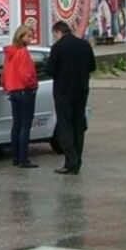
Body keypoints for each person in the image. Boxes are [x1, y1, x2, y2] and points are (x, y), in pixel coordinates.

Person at [47, 20, 96, 175]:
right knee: (78, 125)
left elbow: (50, 70)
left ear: (58, 32)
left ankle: (71, 161)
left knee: (65, 126)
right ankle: (77, 160)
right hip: (81, 90)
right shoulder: (84, 45)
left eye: (54, 35)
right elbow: (92, 66)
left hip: (63, 92)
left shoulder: (58, 48)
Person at [2, 25, 39, 168]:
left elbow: (5, 73)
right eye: (28, 36)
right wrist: (33, 85)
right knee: (25, 125)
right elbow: (26, 74)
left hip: (13, 90)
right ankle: (24, 159)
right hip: (25, 90)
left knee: (16, 124)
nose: (30, 39)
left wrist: (7, 87)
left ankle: (15, 157)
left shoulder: (10, 53)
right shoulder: (23, 53)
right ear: (21, 36)